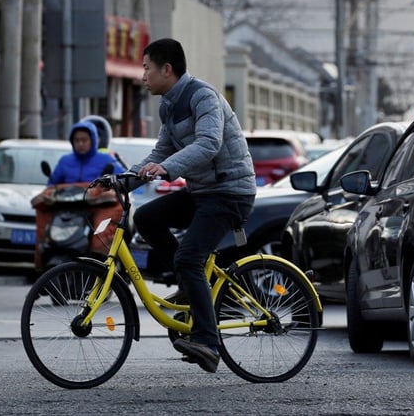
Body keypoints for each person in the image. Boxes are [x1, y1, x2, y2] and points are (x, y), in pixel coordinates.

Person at [127, 38, 256, 374]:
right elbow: (161, 152)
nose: (143, 76)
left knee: (188, 257)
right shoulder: (168, 106)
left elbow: (209, 144)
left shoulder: (203, 96)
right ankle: (188, 286)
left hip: (230, 193)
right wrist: (127, 178)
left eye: (147, 69)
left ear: (166, 70)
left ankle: (208, 343)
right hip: (203, 192)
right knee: (146, 216)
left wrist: (169, 169)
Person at [46, 120, 124, 185]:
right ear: (72, 142)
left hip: (99, 202)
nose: (80, 144)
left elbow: (124, 180)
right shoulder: (65, 161)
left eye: (84, 140)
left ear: (93, 141)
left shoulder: (106, 159)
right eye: (77, 140)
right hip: (68, 202)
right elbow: (52, 185)